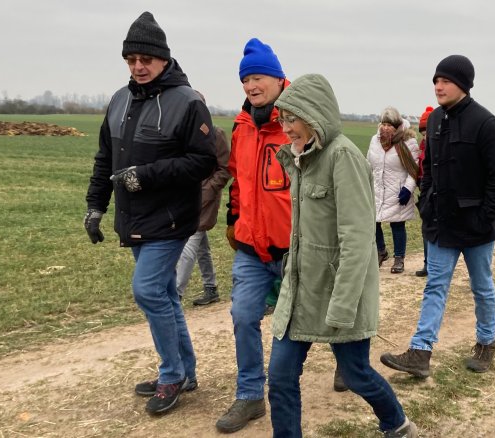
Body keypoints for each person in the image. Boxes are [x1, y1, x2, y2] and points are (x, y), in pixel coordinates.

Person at [270, 73, 418, 438]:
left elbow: (358, 239)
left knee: (355, 374)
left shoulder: (343, 158)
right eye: (283, 119)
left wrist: (343, 303)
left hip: (340, 290)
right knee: (280, 376)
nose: (286, 129)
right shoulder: (299, 157)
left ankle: (397, 424)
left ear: (315, 114)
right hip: (302, 289)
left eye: (293, 119)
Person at [84, 11, 216, 415]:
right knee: (162, 295)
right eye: (131, 60)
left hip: (171, 218)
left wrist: (146, 176)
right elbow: (106, 157)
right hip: (134, 218)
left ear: (164, 59)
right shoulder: (119, 100)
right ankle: (185, 371)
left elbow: (203, 162)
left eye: (146, 59)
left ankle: (171, 374)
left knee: (146, 291)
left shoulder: (188, 102)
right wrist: (95, 205)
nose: (138, 67)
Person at [381, 55, 495, 377]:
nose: (438, 86)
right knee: (435, 286)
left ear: (463, 84)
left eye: (446, 81)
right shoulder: (436, 120)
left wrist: (485, 217)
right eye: (436, 81)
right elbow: (427, 170)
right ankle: (420, 352)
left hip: (477, 226)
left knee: (481, 286)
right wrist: (426, 205)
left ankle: (486, 344)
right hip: (442, 223)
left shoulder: (485, 122)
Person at [216, 38, 296, 433]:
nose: (251, 85)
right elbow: (237, 181)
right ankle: (250, 396)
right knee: (243, 315)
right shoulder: (242, 126)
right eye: (246, 78)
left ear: (280, 79)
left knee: (310, 318)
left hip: (295, 248)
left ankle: (347, 364)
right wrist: (234, 220)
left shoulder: (298, 124)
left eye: (258, 76)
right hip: (251, 248)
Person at [175, 92, 231, 306]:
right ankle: (211, 288)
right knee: (200, 246)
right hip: (184, 196)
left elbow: (225, 169)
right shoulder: (181, 133)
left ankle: (176, 294)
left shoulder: (215, 133)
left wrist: (208, 191)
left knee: (189, 244)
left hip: (204, 199)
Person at [368, 107, 421, 274]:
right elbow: (368, 163)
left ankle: (399, 258)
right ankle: (381, 251)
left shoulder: (408, 142)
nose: (385, 128)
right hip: (377, 188)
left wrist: (407, 189)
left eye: (389, 124)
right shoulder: (375, 141)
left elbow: (413, 170)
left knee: (397, 224)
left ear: (397, 125)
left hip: (398, 190)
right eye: (383, 124)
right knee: (372, 222)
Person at [415, 106, 434, 277]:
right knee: (425, 228)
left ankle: (435, 266)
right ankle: (428, 264)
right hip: (424, 190)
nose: (425, 134)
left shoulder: (441, 145)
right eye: (422, 131)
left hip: (438, 191)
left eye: (427, 130)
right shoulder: (421, 146)